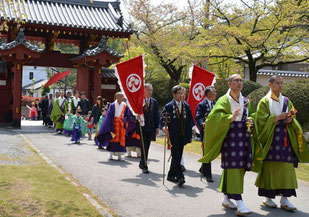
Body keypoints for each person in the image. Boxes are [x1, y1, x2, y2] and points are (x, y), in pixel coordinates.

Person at [198, 74, 260, 215]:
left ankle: (226, 198)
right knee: (233, 167)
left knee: (240, 168)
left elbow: (251, 115)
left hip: (244, 137)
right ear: (229, 84)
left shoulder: (245, 100)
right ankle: (239, 201)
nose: (239, 83)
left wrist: (250, 119)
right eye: (236, 80)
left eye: (240, 80)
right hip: (230, 139)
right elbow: (213, 118)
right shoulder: (224, 100)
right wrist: (229, 117)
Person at [254, 75, 309, 211]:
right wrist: (276, 117)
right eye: (278, 83)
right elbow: (260, 120)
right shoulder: (264, 101)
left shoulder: (286, 100)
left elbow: (293, 112)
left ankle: (285, 198)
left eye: (282, 83)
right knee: (270, 167)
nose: (280, 85)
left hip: (285, 139)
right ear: (270, 84)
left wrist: (290, 119)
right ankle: (268, 198)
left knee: (287, 167)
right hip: (271, 140)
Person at [161, 85, 194, 187]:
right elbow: (163, 120)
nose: (181, 95)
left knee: (178, 155)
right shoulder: (169, 106)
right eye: (179, 93)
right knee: (175, 155)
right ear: (174, 94)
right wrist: (164, 127)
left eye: (182, 93)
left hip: (183, 135)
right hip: (173, 135)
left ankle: (171, 175)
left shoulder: (186, 106)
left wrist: (190, 134)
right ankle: (180, 177)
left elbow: (189, 121)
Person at [97, 92, 128, 161]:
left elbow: (127, 115)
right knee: (112, 138)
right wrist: (109, 126)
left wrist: (124, 120)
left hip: (121, 125)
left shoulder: (124, 105)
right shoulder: (112, 105)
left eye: (123, 96)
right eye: (121, 96)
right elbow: (109, 116)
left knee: (120, 139)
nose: (122, 98)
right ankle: (110, 154)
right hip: (113, 125)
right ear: (117, 97)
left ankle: (120, 155)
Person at [195, 86, 216, 182]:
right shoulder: (202, 105)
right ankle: (208, 174)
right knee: (207, 151)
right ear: (209, 94)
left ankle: (203, 168)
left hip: (213, 131)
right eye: (214, 92)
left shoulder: (215, 104)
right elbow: (198, 116)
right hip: (205, 131)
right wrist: (202, 123)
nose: (216, 93)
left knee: (210, 151)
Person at [139, 83, 160, 174]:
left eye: (151, 90)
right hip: (142, 127)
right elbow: (133, 113)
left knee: (147, 145)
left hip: (151, 127)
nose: (150, 92)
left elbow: (156, 115)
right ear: (144, 91)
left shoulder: (154, 102)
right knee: (144, 145)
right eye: (148, 90)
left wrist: (157, 127)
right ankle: (144, 164)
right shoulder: (139, 101)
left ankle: (142, 162)